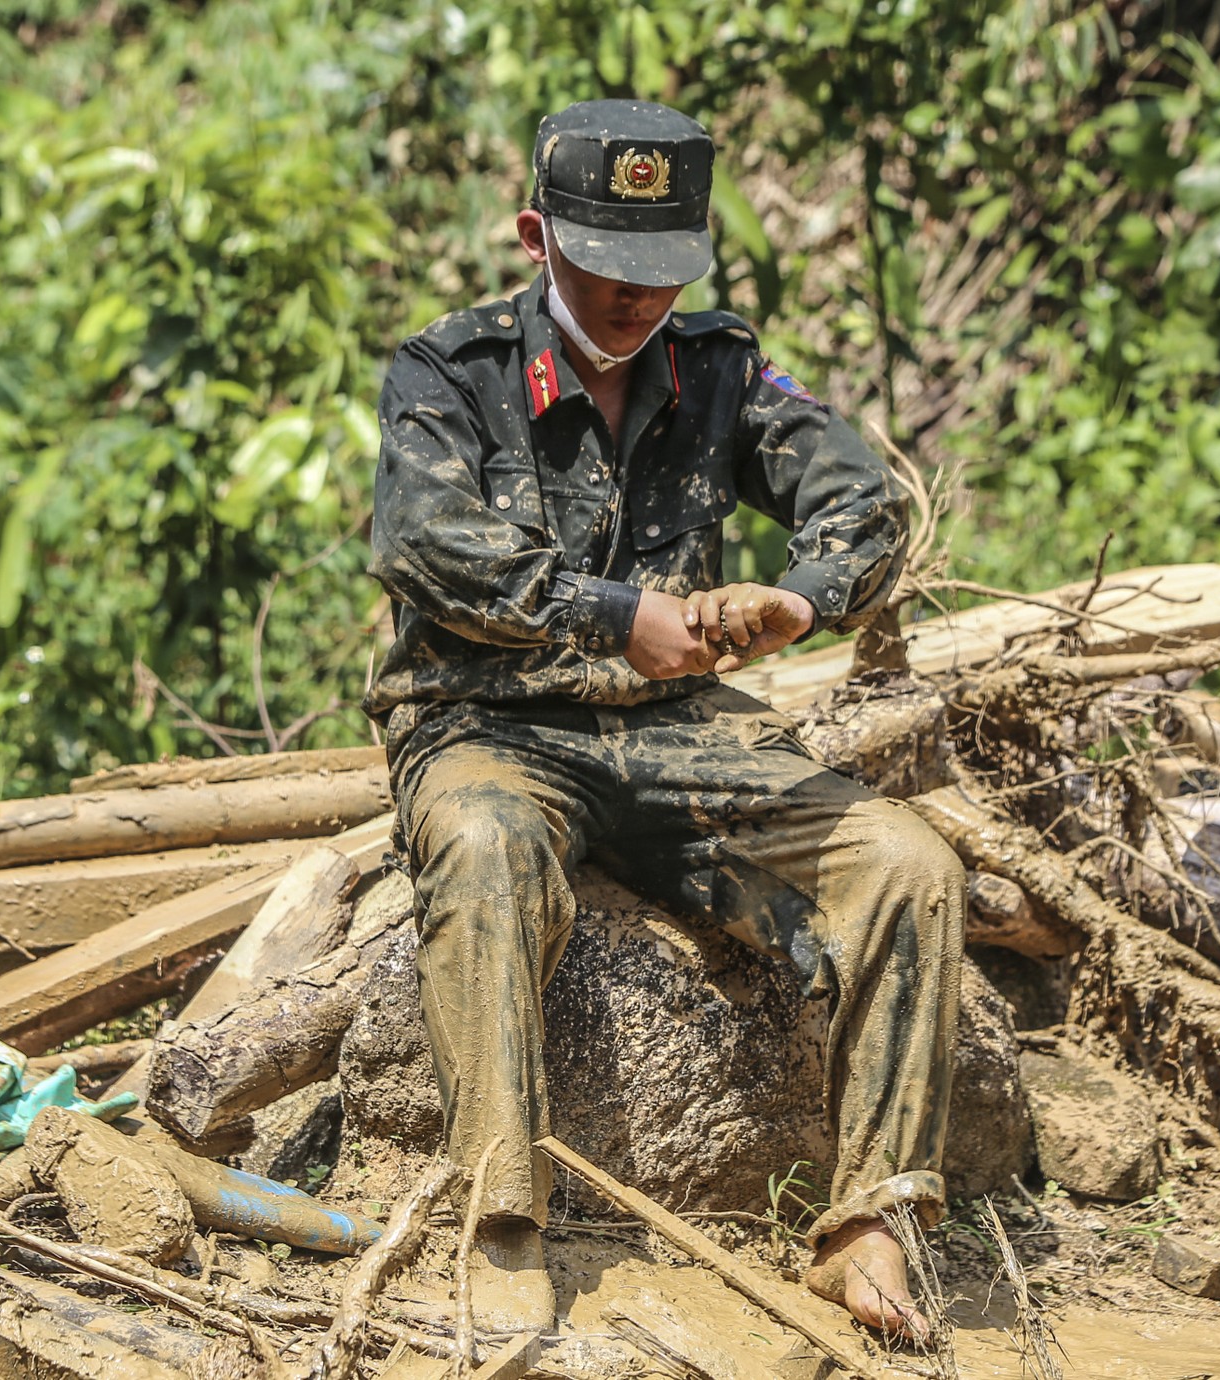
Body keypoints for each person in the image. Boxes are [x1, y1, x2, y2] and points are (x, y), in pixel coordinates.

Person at [363, 98, 966, 1342]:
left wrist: (800, 598)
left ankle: (865, 1226)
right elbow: (426, 548)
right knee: (484, 851)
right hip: (487, 724)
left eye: (660, 271)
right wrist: (609, 611)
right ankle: (501, 1218)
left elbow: (854, 491)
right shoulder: (450, 372)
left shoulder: (720, 369)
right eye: (602, 266)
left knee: (907, 867)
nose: (635, 297)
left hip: (672, 730)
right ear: (536, 237)